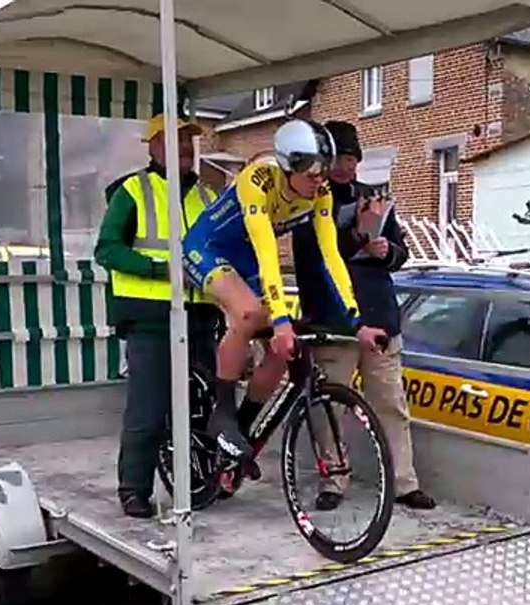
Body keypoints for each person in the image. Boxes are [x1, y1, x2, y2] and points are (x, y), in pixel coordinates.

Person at [182, 118, 389, 459]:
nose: (319, 182)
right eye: (310, 173)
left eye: (324, 172)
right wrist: (279, 321)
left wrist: (357, 321)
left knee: (283, 351)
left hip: (245, 258)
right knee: (249, 313)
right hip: (207, 249)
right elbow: (268, 254)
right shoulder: (258, 180)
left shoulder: (319, 193)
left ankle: (243, 431)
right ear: (287, 165)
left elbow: (331, 257)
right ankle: (222, 414)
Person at [292, 120, 437, 511]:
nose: (345, 167)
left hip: (379, 314)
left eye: (352, 158)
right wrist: (354, 236)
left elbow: (401, 253)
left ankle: (403, 481)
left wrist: (384, 249)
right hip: (333, 318)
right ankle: (334, 479)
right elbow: (310, 257)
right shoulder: (308, 199)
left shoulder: (373, 198)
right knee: (331, 404)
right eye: (339, 158)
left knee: (390, 401)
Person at [94, 113, 221, 518]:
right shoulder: (133, 191)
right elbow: (107, 250)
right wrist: (159, 269)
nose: (185, 148)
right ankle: (134, 489)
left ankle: (202, 479)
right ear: (153, 147)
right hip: (149, 318)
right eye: (174, 140)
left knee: (201, 408)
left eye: (189, 141)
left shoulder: (208, 196)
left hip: (200, 316)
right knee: (147, 411)